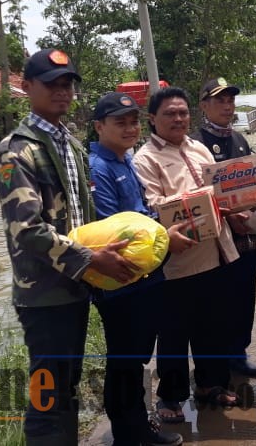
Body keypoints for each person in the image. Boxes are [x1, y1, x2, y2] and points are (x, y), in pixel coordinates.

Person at [0, 49, 129, 445]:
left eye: (67, 83)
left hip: (74, 286)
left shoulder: (69, 143)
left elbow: (82, 217)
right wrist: (89, 259)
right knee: (48, 393)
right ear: (26, 87)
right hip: (43, 293)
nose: (62, 91)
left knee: (65, 386)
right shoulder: (13, 151)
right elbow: (27, 228)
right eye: (52, 84)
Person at [87, 91, 190, 446]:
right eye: (120, 122)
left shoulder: (125, 160)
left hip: (145, 276)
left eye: (133, 122)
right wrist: (165, 237)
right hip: (121, 281)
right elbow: (112, 229)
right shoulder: (98, 167)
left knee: (135, 358)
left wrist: (162, 233)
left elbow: (142, 215)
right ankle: (129, 434)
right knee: (125, 360)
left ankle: (136, 425)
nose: (129, 128)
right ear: (99, 126)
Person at [133, 87, 242, 423]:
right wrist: (202, 200)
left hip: (217, 252)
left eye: (182, 112)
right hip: (178, 261)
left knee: (215, 326)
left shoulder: (199, 149)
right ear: (152, 119)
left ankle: (212, 385)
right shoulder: (145, 159)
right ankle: (171, 397)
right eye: (169, 113)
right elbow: (154, 207)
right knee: (175, 334)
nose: (178, 118)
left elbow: (220, 190)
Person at [189, 77, 256, 379]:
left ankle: (238, 352)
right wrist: (227, 215)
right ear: (204, 105)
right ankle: (215, 362)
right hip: (217, 240)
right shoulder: (195, 144)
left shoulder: (241, 140)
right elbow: (197, 193)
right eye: (219, 100)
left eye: (230, 99)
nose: (227, 105)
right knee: (217, 301)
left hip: (247, 236)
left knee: (245, 295)